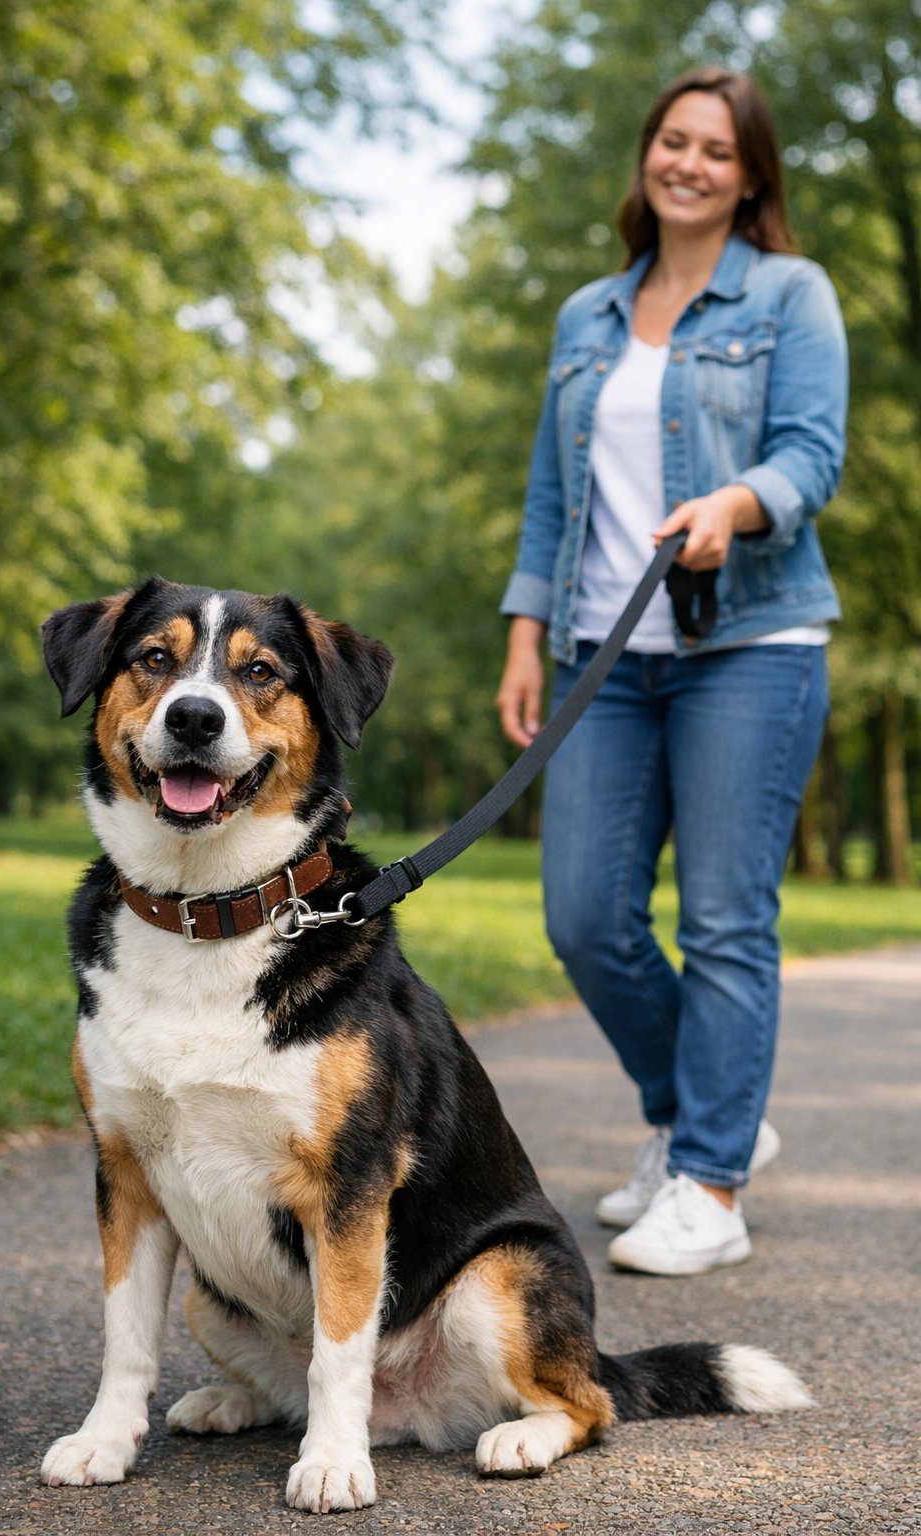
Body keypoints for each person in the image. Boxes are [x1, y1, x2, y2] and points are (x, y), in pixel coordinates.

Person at [496, 67, 847, 1276]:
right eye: (670, 139)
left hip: (749, 646)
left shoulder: (790, 295)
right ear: (646, 156)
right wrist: (525, 632)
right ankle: (703, 1108)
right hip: (603, 652)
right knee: (585, 917)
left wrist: (740, 503)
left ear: (750, 176)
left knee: (724, 919)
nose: (687, 162)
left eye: (716, 148)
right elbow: (552, 496)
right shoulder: (588, 315)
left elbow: (813, 451)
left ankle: (708, 1179)